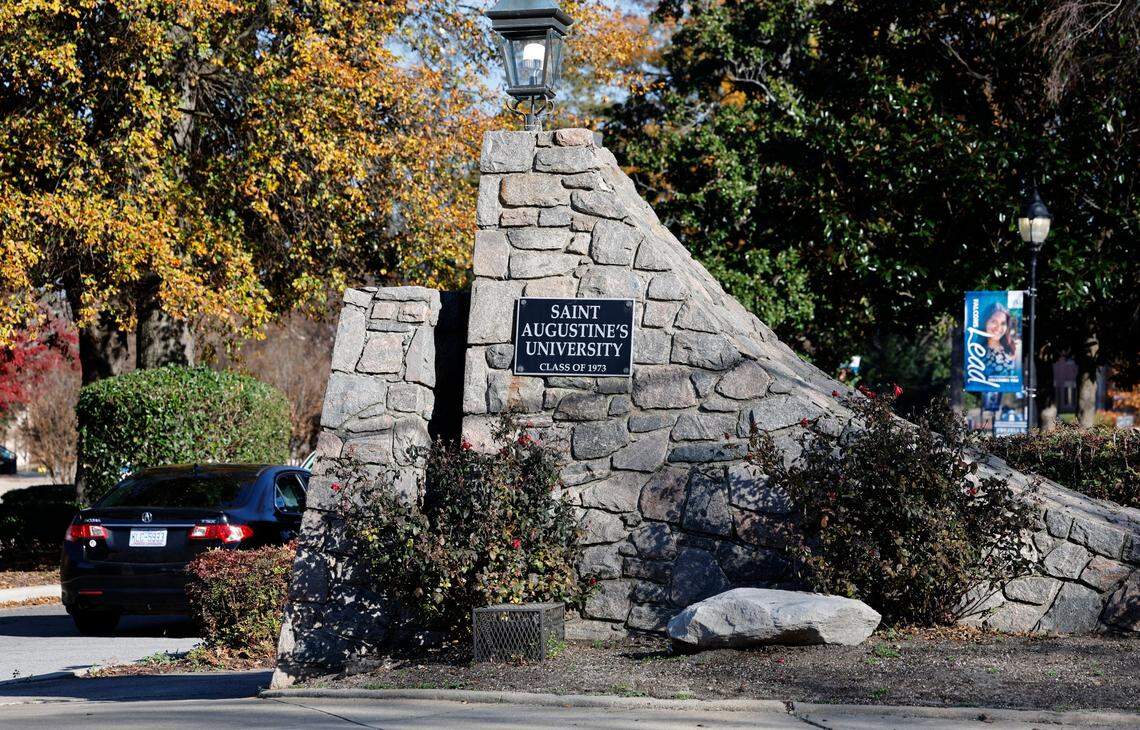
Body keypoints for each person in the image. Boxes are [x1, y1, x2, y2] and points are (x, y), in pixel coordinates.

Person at [981, 302, 1019, 375]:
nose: (998, 328)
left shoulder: (1011, 346)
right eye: (994, 322)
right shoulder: (978, 351)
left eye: (1003, 323)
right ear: (985, 322)